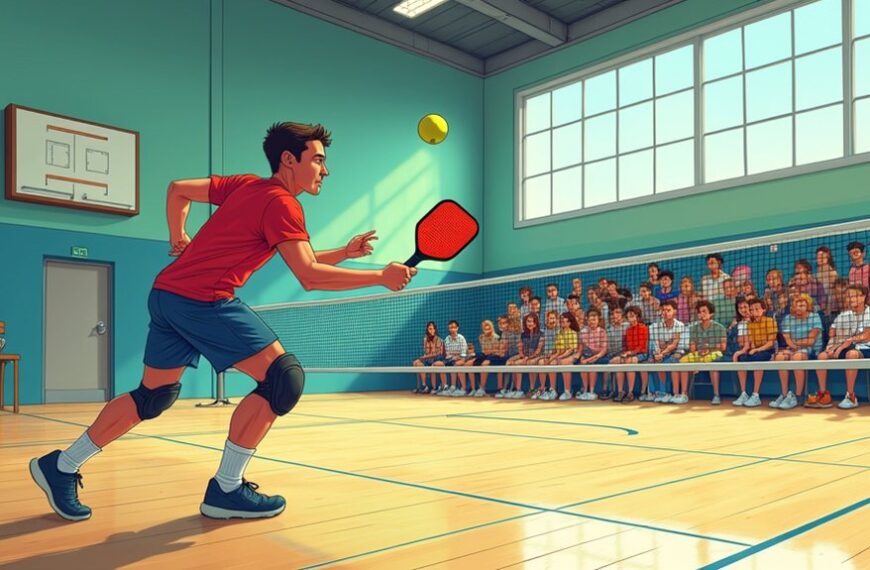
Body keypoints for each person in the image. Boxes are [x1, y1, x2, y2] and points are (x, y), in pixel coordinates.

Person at [29, 122, 416, 522]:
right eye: (318, 159)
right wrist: (380, 277)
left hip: (166, 296)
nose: (325, 169)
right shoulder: (282, 204)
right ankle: (227, 489)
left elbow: (178, 188)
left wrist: (178, 237)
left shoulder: (247, 186)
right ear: (289, 159)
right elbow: (309, 275)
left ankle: (62, 465)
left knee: (152, 396)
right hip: (203, 300)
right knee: (284, 378)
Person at [807, 284, 870, 409]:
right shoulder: (843, 315)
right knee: (822, 356)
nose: (850, 299)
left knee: (851, 354)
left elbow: (867, 335)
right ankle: (823, 395)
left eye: (854, 296)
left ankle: (851, 396)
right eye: (848, 297)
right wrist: (831, 348)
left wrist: (848, 341)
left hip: (866, 347)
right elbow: (833, 334)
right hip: (845, 346)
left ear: (863, 297)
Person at [772, 294, 822, 410]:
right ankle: (784, 394)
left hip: (812, 349)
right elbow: (787, 339)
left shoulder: (815, 317)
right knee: (779, 357)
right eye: (796, 305)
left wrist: (795, 345)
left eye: (802, 305)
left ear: (808, 306)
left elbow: (810, 340)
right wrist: (794, 346)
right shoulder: (788, 319)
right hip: (795, 347)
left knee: (797, 357)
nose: (799, 308)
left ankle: (799, 395)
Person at [678, 301, 727, 405]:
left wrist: (710, 349)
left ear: (711, 313)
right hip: (699, 354)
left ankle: (716, 395)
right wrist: (699, 351)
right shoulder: (693, 328)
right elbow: (692, 346)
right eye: (699, 312)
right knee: (682, 362)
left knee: (714, 363)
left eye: (704, 311)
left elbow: (722, 347)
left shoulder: (720, 328)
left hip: (714, 354)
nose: (701, 314)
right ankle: (684, 394)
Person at [733, 298, 777, 408]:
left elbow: (771, 343)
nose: (754, 312)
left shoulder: (770, 321)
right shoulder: (750, 324)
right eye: (752, 310)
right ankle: (743, 393)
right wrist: (741, 352)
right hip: (755, 350)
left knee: (757, 359)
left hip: (768, 350)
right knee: (741, 359)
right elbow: (750, 343)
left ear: (763, 309)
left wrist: (757, 349)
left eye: (757, 309)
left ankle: (756, 395)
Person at [648, 300, 687, 403]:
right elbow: (656, 343)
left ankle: (676, 393)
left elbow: (674, 345)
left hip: (678, 352)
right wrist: (657, 353)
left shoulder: (679, 325)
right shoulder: (655, 326)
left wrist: (663, 352)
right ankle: (663, 392)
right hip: (662, 352)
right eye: (663, 310)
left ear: (674, 311)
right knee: (654, 362)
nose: (665, 312)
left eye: (668, 310)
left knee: (671, 362)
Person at [613, 306, 649, 403]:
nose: (631, 318)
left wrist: (631, 353)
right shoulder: (627, 330)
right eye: (629, 317)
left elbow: (642, 346)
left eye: (632, 316)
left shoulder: (643, 328)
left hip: (642, 354)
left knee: (630, 361)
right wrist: (625, 353)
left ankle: (630, 392)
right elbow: (625, 346)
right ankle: (620, 391)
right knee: (617, 361)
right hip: (629, 354)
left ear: (637, 316)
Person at [576, 308, 608, 400]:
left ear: (598, 320)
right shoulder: (583, 332)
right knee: (583, 365)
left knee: (591, 365)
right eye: (590, 320)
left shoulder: (602, 332)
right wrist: (581, 357)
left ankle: (592, 391)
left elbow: (603, 350)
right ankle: (585, 391)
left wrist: (591, 359)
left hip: (599, 356)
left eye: (594, 320)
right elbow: (581, 348)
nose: (592, 322)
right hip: (586, 356)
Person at [434, 320, 468, 395]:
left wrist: (456, 356)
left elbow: (463, 353)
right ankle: (445, 387)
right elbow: (447, 354)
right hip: (450, 359)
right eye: (450, 327)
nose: (452, 329)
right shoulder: (447, 339)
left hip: (461, 359)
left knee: (456, 364)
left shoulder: (461, 338)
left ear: (457, 328)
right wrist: (453, 356)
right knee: (437, 364)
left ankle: (460, 388)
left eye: (454, 327)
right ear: (448, 329)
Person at [412, 321, 443, 393]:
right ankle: (423, 386)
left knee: (433, 365)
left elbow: (436, 353)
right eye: (429, 329)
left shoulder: (439, 340)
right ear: (427, 330)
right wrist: (425, 357)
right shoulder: (425, 339)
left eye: (432, 329)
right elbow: (426, 351)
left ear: (435, 329)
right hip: (427, 359)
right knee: (416, 363)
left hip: (436, 359)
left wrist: (425, 357)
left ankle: (434, 387)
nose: (431, 331)